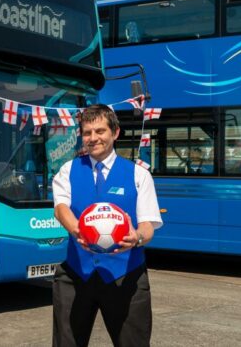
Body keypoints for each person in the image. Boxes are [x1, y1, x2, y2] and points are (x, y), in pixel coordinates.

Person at [51, 104, 163, 347]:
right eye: (87, 132)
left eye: (100, 131)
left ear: (115, 133)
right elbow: (61, 208)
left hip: (126, 277)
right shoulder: (67, 170)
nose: (93, 138)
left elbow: (148, 226)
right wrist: (77, 230)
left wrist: (137, 238)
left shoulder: (139, 175)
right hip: (76, 274)